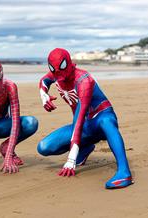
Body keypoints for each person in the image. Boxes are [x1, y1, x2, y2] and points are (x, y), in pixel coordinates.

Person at [37, 48, 133, 189]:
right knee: (44, 147)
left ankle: (124, 172)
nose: (59, 76)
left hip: (100, 117)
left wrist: (71, 159)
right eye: (55, 72)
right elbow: (44, 80)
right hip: (85, 126)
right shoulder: (56, 75)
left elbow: (80, 116)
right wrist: (43, 95)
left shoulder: (83, 80)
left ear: (69, 64)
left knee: (107, 122)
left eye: (62, 70)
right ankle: (86, 147)